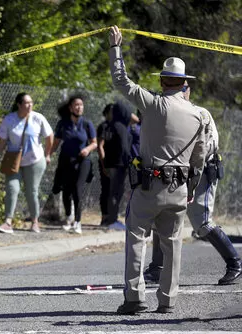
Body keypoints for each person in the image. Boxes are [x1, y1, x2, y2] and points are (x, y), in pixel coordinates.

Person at [109, 26, 207, 314]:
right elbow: (199, 158)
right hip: (179, 189)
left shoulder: (153, 105)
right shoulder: (199, 115)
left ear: (163, 81)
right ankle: (167, 300)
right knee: (173, 245)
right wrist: (191, 188)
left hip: (150, 185)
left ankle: (135, 298)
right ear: (184, 83)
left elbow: (120, 80)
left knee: (137, 238)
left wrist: (116, 48)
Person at [143, 81, 242, 286]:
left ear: (187, 91)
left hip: (202, 170)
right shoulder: (165, 110)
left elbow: (209, 145)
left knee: (202, 223)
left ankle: (235, 264)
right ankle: (157, 268)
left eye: (182, 87)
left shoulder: (200, 113)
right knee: (161, 216)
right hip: (177, 172)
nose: (177, 91)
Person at [0, 92, 54, 234]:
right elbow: (1, 142)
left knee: (32, 191)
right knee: (12, 188)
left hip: (35, 161)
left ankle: (35, 222)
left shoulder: (38, 118)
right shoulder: (9, 119)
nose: (30, 105)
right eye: (26, 103)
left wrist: (47, 154)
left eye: (31, 102)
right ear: (19, 105)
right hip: (14, 161)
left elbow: (49, 136)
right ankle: (8, 222)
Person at [50, 94, 97, 234]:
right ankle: (69, 218)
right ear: (71, 107)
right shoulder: (63, 123)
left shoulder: (87, 124)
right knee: (66, 190)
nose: (79, 107)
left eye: (81, 105)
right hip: (65, 160)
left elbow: (94, 143)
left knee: (77, 188)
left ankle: (78, 221)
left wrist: (87, 149)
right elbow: (56, 143)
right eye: (76, 105)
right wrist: (47, 155)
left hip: (83, 161)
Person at [103, 101, 132, 230]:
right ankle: (113, 221)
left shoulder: (110, 125)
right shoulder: (121, 127)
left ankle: (111, 219)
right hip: (119, 164)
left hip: (110, 164)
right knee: (116, 192)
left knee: (112, 192)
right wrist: (130, 161)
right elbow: (124, 148)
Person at [97, 104, 113, 226]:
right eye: (112, 111)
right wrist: (104, 165)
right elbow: (100, 146)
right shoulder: (104, 127)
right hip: (107, 163)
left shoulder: (118, 126)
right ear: (106, 113)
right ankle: (105, 217)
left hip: (117, 163)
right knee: (106, 190)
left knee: (115, 191)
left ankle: (113, 217)